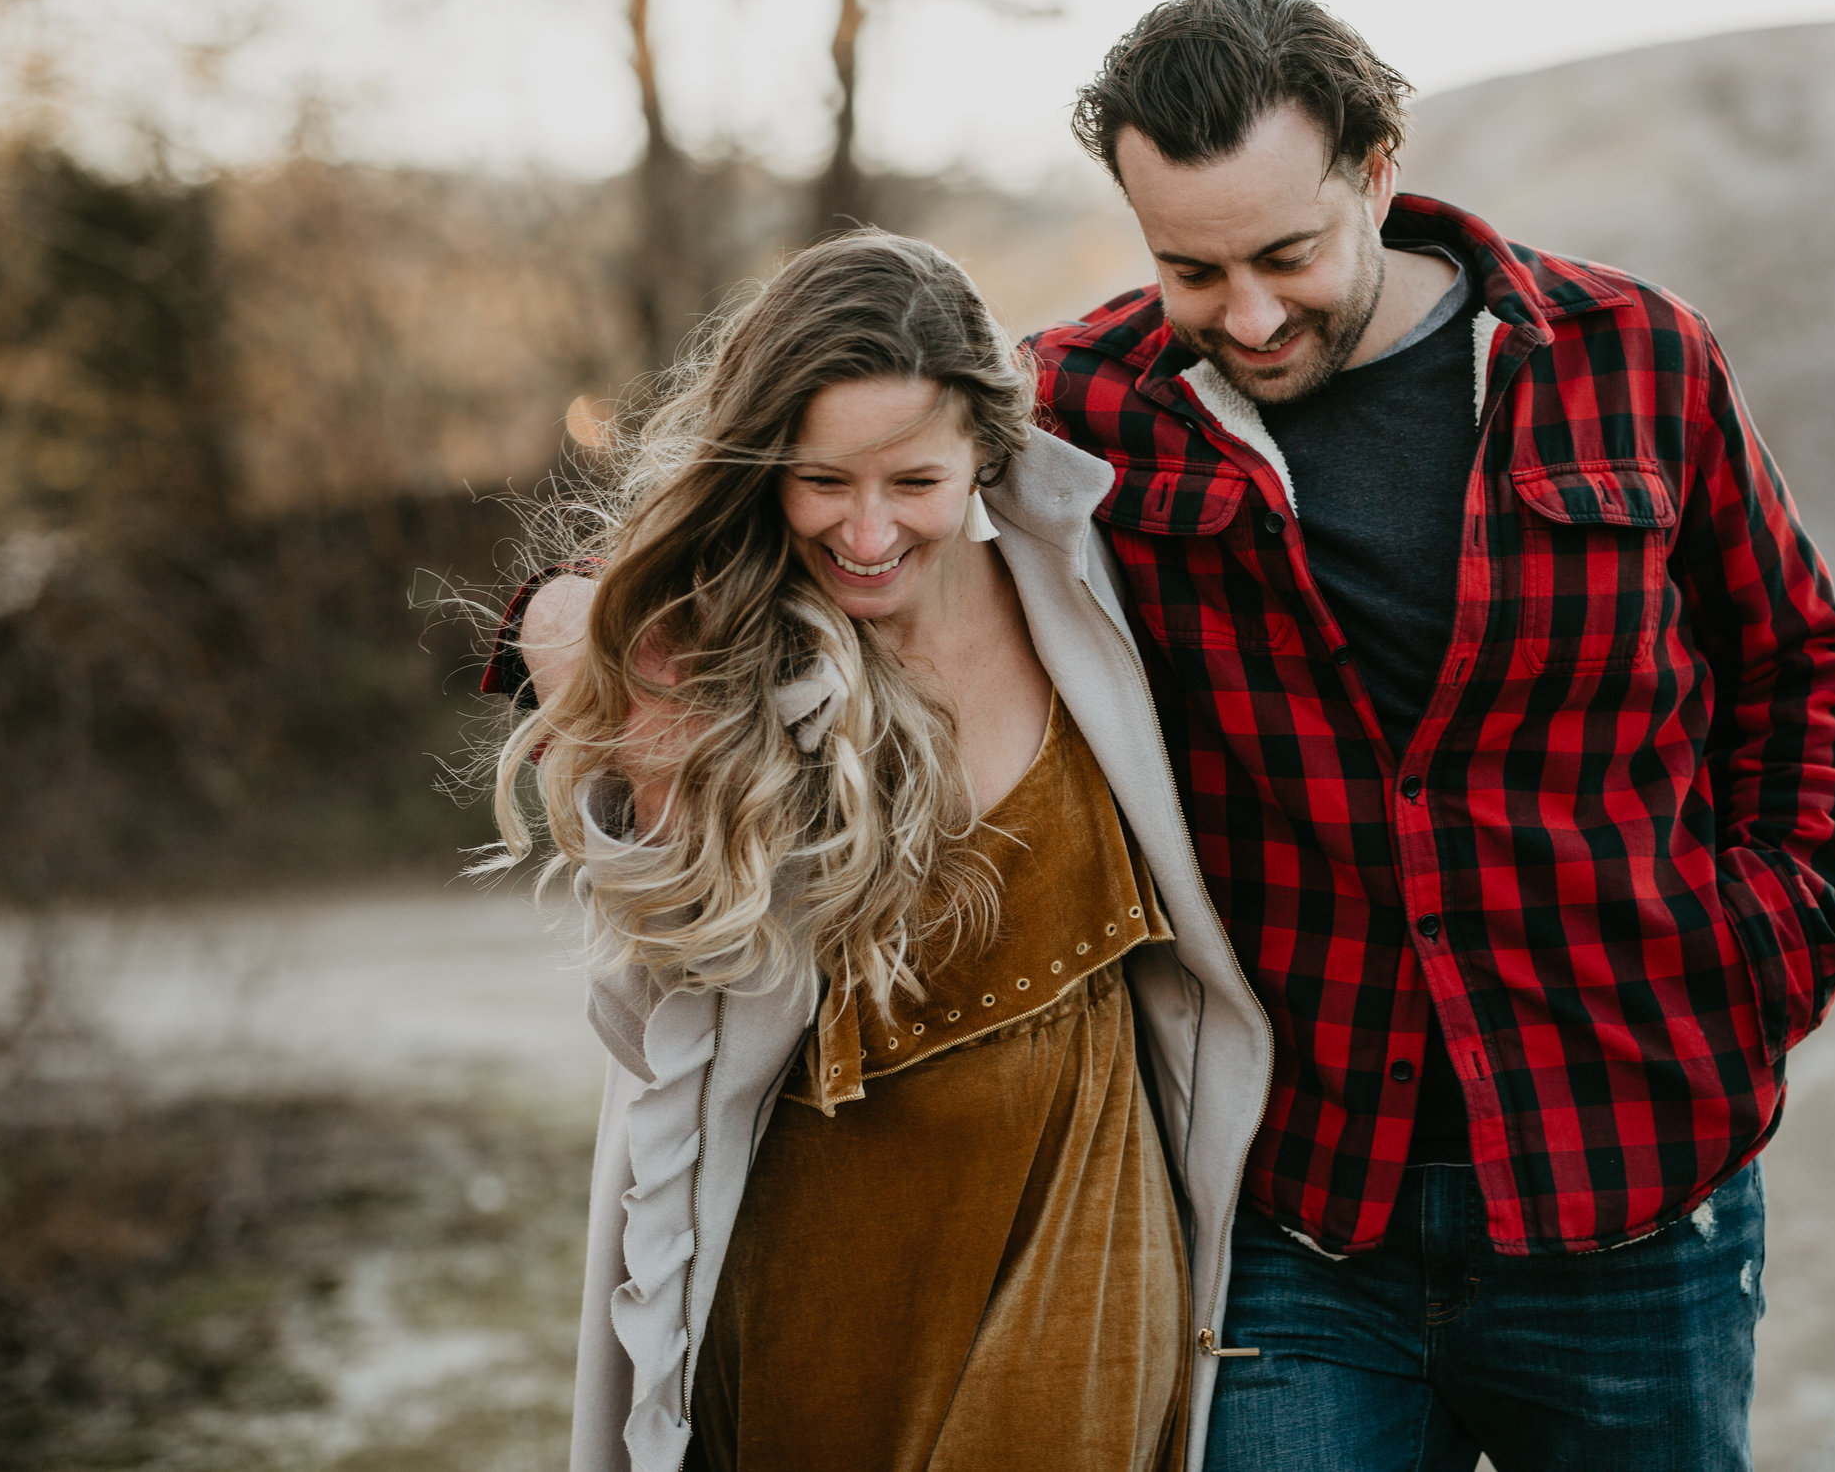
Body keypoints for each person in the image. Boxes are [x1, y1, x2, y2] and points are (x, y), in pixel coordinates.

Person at [502, 0, 1835, 1470]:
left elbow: (1794, 656)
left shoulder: (1635, 359)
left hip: (1632, 1180)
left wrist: (1770, 946)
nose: (1253, 314)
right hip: (1303, 1218)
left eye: (1289, 254)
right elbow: (846, 466)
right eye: (1192, 268)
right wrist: (568, 611)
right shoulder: (1087, 407)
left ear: (1377, 166)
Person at [483, 231, 1274, 1472]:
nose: (863, 530)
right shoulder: (726, 664)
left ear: (985, 454)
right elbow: (656, 1011)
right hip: (822, 1246)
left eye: (912, 480)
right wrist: (576, 639)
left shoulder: (1087, 590)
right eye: (821, 481)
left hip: (1081, 1213)